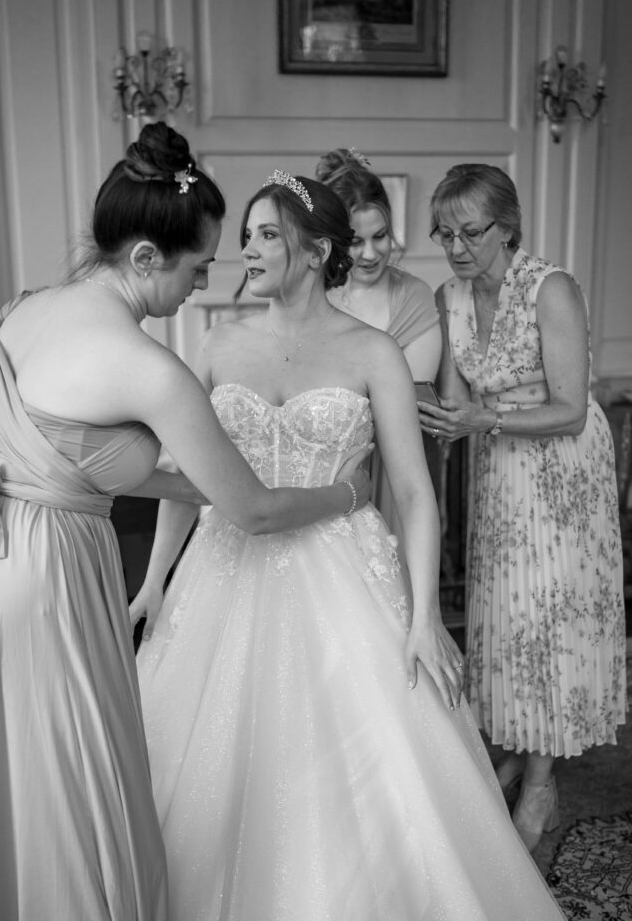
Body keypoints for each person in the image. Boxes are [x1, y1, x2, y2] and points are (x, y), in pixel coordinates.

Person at [0, 126, 371, 921]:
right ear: (145, 258)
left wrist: (178, 480)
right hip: (52, 585)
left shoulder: (23, 313)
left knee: (24, 781)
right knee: (74, 787)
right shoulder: (148, 368)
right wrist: (349, 496)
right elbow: (250, 509)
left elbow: (68, 457)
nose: (205, 283)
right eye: (197, 266)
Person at [133, 170, 567, 919]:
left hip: (339, 571)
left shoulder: (372, 353)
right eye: (246, 236)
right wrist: (152, 583)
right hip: (220, 571)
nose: (249, 248)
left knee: (369, 766)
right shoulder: (215, 341)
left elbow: (410, 491)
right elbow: (187, 477)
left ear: (315, 248)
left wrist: (422, 616)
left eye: (268, 234)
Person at [418, 163, 627, 853]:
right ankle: (516, 745)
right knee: (506, 614)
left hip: (561, 471)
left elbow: (569, 411)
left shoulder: (551, 288)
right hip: (498, 472)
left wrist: (485, 421)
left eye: (469, 232)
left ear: (506, 227)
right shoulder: (449, 295)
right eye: (443, 233)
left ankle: (541, 779)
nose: (455, 246)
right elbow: (452, 397)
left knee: (549, 614)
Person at [316, 147, 442, 545]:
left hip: (391, 473)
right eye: (356, 241)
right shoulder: (309, 297)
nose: (371, 254)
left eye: (381, 236)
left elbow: (408, 404)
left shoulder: (415, 298)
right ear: (333, 240)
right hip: (317, 473)